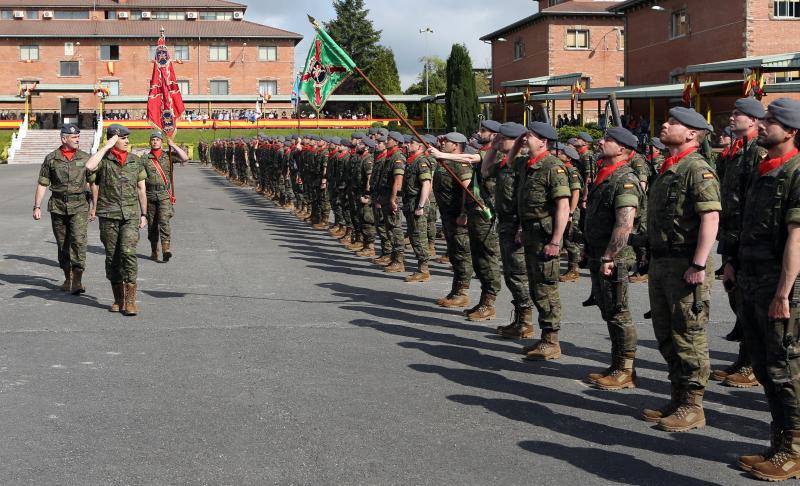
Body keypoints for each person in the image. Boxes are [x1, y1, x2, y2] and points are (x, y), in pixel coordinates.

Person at [641, 107, 720, 432]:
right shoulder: (668, 167)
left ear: (691, 134)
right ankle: (677, 396)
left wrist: (699, 263)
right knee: (666, 334)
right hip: (663, 263)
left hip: (686, 265)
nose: (665, 124)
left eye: (673, 123)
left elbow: (710, 217)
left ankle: (693, 405)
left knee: (688, 335)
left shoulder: (696, 169)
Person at [735, 98, 800, 481]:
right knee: (763, 364)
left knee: (784, 369)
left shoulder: (795, 172)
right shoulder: (764, 168)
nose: (762, 125)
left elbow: (796, 237)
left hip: (781, 286)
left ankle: (792, 450)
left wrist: (783, 292)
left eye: (771, 122)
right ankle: (778, 444)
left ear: (790, 132)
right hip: (754, 281)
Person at [583, 127, 644, 390]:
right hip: (600, 253)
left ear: (622, 149)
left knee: (619, 313)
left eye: (608, 140)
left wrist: (610, 256)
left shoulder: (624, 179)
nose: (601, 141)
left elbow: (624, 224)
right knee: (609, 310)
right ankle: (616, 363)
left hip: (614, 257)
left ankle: (625, 370)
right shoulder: (605, 174)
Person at [711, 98, 765, 389]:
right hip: (732, 235)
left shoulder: (757, 151)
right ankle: (745, 359)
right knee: (738, 300)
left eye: (738, 114)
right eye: (732, 113)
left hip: (747, 235)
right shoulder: (735, 152)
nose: (732, 118)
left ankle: (754, 365)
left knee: (749, 302)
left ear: (754, 121)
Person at [511, 122, 571, 361]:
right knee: (536, 286)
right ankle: (545, 336)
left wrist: (556, 241)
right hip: (530, 231)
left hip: (546, 235)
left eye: (530, 136)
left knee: (546, 288)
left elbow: (563, 206)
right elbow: (506, 162)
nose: (525, 139)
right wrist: (521, 228)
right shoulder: (528, 165)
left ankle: (551, 340)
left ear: (543, 141)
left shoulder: (552, 167)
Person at [85, 124, 148, 316]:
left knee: (128, 253)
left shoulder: (135, 161)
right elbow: (89, 166)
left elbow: (141, 189)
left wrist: (144, 214)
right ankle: (118, 298)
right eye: (123, 138)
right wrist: (105, 147)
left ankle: (130, 301)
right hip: (108, 216)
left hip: (130, 215)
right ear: (113, 139)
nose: (127, 141)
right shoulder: (104, 161)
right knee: (112, 257)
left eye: (128, 138)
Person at [485, 122, 534, 339]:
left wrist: (522, 226)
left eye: (502, 138)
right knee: (510, 274)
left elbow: (528, 199)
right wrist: (493, 148)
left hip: (517, 225)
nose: (497, 140)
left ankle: (525, 321)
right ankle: (520, 319)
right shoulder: (507, 163)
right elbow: (486, 170)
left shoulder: (523, 164)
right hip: (505, 224)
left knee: (518, 274)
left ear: (514, 141)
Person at [32, 124, 94, 295]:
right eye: (74, 137)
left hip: (80, 205)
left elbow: (92, 183)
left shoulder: (85, 157)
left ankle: (78, 280)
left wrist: (95, 205)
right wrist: (37, 206)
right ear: (64, 138)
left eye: (78, 137)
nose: (77, 140)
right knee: (63, 244)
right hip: (58, 206)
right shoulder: (51, 158)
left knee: (79, 242)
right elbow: (43, 183)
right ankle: (68, 277)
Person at [429, 132, 474, 308]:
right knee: (454, 254)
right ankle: (455, 290)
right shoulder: (446, 161)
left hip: (458, 217)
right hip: (448, 215)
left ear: (455, 145)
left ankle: (462, 293)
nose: (442, 143)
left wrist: (464, 213)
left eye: (446, 141)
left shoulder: (460, 164)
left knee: (462, 254)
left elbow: (467, 190)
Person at [144, 131, 188, 263]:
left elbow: (185, 158)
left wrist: (173, 145)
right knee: (152, 225)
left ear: (161, 142)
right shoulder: (145, 159)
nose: (155, 141)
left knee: (164, 221)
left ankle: (165, 249)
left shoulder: (168, 156)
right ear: (150, 142)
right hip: (150, 194)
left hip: (164, 194)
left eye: (157, 139)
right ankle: (154, 250)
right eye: (153, 140)